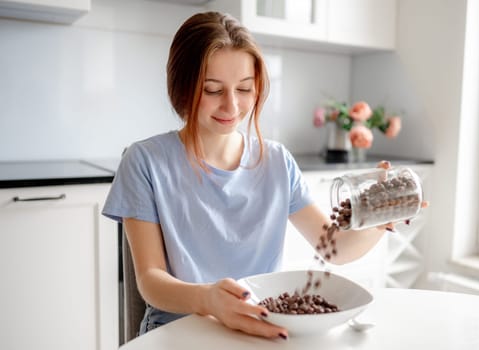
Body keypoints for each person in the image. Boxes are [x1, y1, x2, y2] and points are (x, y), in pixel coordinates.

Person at [102, 11, 405, 340]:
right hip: (176, 333)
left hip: (258, 330)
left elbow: (335, 248)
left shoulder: (277, 162)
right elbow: (150, 280)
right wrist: (209, 300)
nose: (231, 106)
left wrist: (376, 218)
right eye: (213, 90)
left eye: (244, 89)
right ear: (182, 88)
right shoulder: (145, 162)